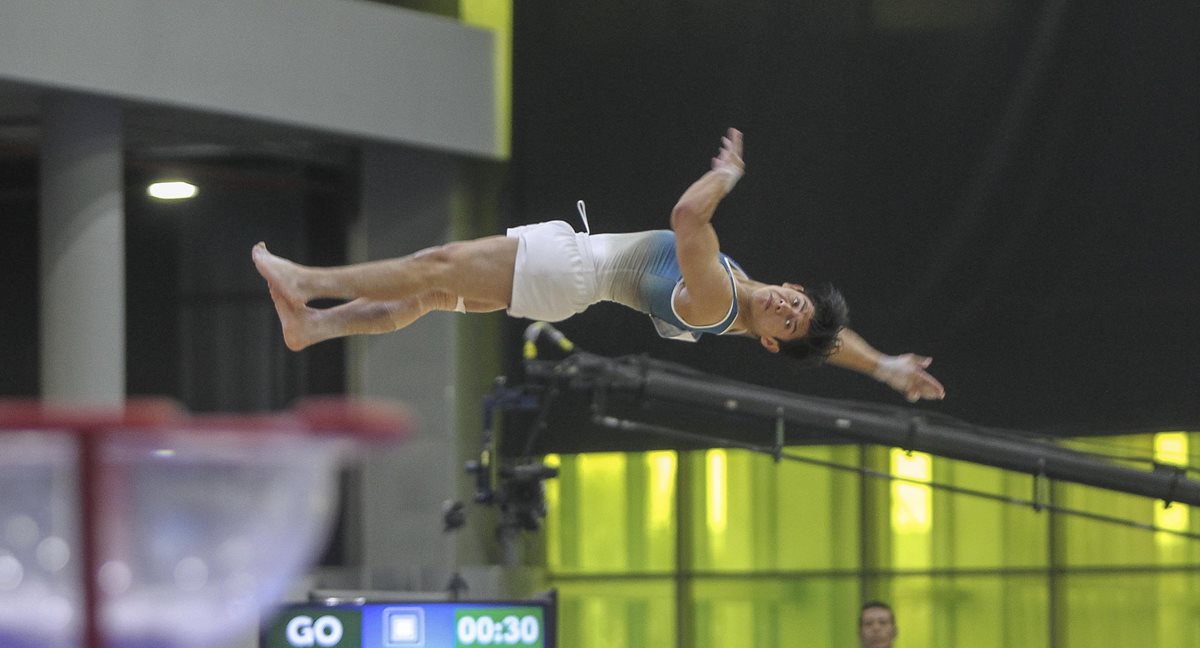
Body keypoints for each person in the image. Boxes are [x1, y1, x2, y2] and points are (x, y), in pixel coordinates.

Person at [251, 129, 945, 404]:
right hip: (569, 287)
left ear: (768, 341)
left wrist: (727, 173)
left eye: (789, 326)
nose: (791, 313)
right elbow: (827, 337)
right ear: (793, 289)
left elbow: (685, 219)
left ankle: (305, 282)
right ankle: (315, 329)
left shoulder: (716, 300)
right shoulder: (756, 301)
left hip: (572, 267)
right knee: (429, 294)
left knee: (434, 262)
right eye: (798, 305)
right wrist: (883, 365)